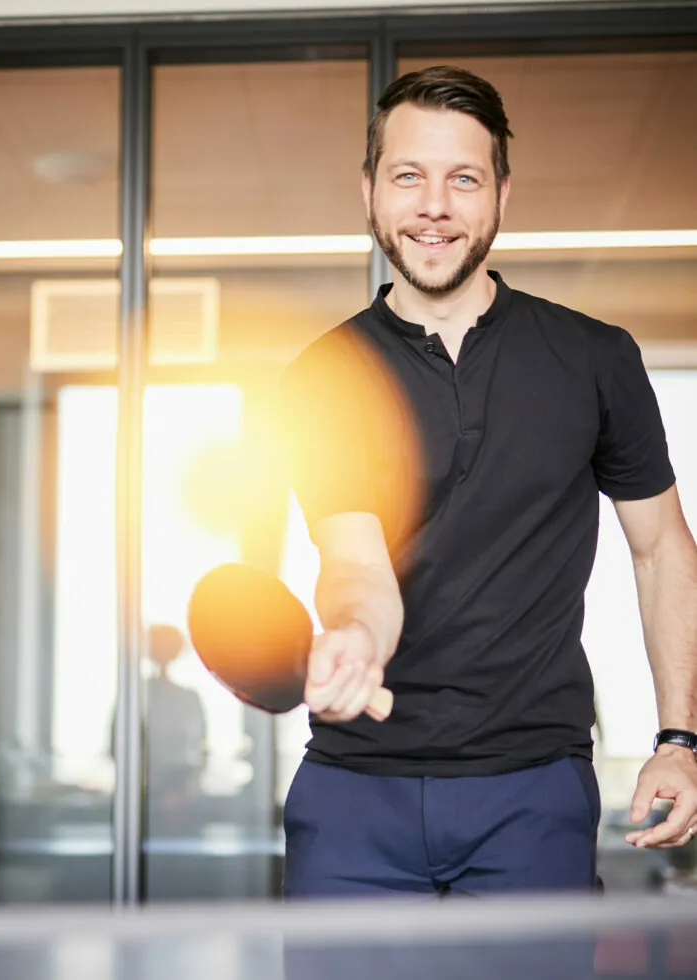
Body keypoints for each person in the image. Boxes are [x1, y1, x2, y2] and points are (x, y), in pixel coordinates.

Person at [279, 64, 697, 898]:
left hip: (532, 790)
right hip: (356, 794)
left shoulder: (594, 359)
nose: (435, 204)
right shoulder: (322, 376)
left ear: (502, 194)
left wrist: (680, 739)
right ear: (370, 191)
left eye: (463, 178)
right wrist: (359, 636)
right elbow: (357, 561)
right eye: (409, 175)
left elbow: (661, 551)